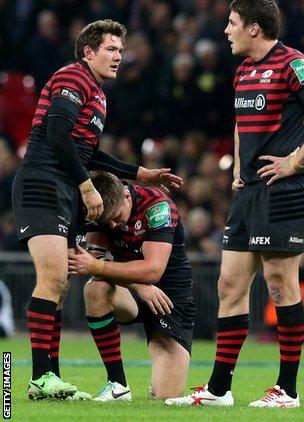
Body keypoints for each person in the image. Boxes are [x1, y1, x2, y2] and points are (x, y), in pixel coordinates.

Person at [12, 19, 182, 401]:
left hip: (63, 187)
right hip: (43, 182)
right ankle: (41, 376)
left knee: (61, 283)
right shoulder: (74, 77)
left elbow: (87, 152)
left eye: (121, 50)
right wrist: (87, 186)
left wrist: (140, 173)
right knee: (53, 277)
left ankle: (48, 380)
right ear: (88, 52)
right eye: (111, 49)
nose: (119, 56)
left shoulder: (98, 94)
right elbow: (57, 133)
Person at [165, 0, 304, 409]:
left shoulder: (293, 64)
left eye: (232, 23)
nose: (226, 30)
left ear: (255, 29)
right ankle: (219, 390)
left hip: (285, 190)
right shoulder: (242, 71)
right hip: (248, 194)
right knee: (229, 285)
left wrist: (293, 162)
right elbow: (240, 124)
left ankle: (288, 391)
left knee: (280, 284)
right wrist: (238, 170)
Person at [68, 171, 196, 401]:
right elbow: (98, 261)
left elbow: (153, 270)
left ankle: (159, 379)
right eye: (106, 221)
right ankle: (117, 384)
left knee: (166, 397)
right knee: (95, 289)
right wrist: (139, 287)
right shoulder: (96, 211)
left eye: (116, 217)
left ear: (126, 196)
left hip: (169, 297)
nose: (113, 224)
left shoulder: (157, 207)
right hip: (132, 290)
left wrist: (98, 267)